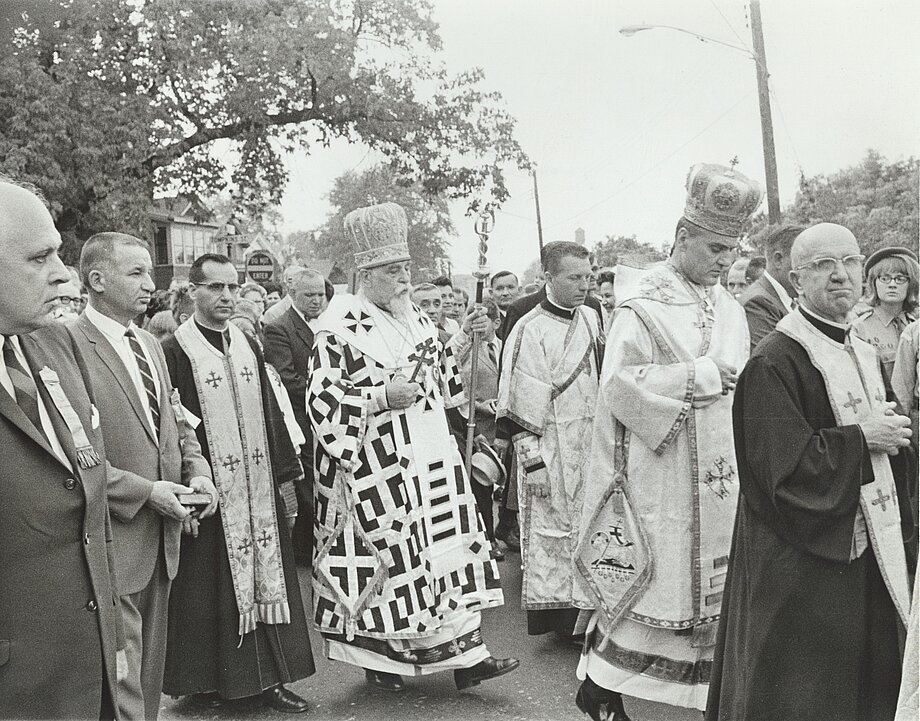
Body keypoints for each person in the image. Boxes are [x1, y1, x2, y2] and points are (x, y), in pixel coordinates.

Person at [308, 202, 518, 693]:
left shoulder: (417, 318)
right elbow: (321, 402)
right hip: (375, 467)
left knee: (446, 551)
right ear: (368, 273)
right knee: (393, 565)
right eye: (394, 271)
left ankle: (469, 655)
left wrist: (470, 339)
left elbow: (446, 381)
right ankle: (380, 659)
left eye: (406, 270)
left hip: (431, 458)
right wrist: (379, 397)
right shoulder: (337, 327)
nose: (405, 280)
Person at [706, 222, 913, 721]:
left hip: (862, 551)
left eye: (848, 263)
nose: (840, 276)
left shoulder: (862, 350)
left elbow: (890, 436)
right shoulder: (774, 361)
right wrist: (863, 439)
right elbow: (781, 472)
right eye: (824, 266)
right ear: (797, 281)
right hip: (801, 563)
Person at [576, 163, 761, 719]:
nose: (725, 262)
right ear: (682, 237)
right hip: (663, 474)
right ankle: (603, 688)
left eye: (731, 251)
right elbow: (618, 387)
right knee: (656, 585)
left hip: (721, 472)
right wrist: (697, 378)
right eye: (714, 248)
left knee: (713, 588)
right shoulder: (642, 304)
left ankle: (705, 695)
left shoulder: (730, 306)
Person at [69, 232, 218, 721]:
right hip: (112, 539)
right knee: (121, 681)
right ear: (96, 280)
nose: (149, 285)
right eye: (136, 273)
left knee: (147, 677)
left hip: (163, 540)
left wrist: (197, 471)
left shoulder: (151, 345)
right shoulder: (66, 344)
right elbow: (74, 455)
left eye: (150, 273)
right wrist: (146, 492)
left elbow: (176, 423)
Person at [161, 253, 315, 712]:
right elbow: (172, 429)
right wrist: (186, 488)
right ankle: (209, 683)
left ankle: (272, 680)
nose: (227, 296)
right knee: (209, 588)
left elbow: (270, 409)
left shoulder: (248, 341)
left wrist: (287, 471)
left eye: (233, 287)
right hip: (210, 496)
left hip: (259, 492)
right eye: (215, 288)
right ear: (193, 292)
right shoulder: (175, 350)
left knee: (271, 579)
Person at [0, 177, 124, 719]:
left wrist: (110, 641)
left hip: (88, 674)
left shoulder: (57, 343)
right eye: (39, 257)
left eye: (60, 253)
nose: (64, 274)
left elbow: (85, 495)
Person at [497, 241, 603, 639]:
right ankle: (563, 624)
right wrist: (532, 462)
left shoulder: (593, 316)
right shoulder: (529, 329)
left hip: (592, 443)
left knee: (591, 526)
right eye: (574, 277)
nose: (584, 285)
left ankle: (589, 616)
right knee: (554, 532)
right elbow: (519, 402)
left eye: (588, 277)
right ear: (548, 278)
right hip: (551, 448)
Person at [263, 268, 328, 566]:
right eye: (309, 295)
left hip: (329, 420)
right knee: (307, 490)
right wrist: (329, 394)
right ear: (292, 295)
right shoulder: (279, 328)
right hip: (302, 421)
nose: (317, 301)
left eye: (321, 295)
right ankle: (302, 551)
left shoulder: (329, 325)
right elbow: (286, 378)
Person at [853, 247, 919, 388]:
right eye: (885, 278)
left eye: (900, 279)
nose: (892, 284)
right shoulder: (859, 329)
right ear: (874, 283)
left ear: (911, 284)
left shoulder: (915, 328)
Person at [739, 225, 805, 353]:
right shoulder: (758, 303)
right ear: (778, 259)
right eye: (804, 260)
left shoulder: (783, 299)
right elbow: (773, 364)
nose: (812, 269)